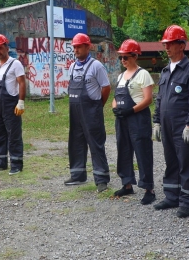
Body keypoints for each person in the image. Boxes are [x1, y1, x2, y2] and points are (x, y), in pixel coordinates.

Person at [151, 25, 189, 217]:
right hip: (166, 125)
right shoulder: (166, 71)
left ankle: (187, 201)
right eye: (165, 43)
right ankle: (171, 196)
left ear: (181, 45)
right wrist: (156, 121)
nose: (166, 47)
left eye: (171, 43)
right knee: (171, 160)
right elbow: (159, 98)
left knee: (187, 162)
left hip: (183, 126)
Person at [64, 33, 111, 193]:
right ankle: (78, 175)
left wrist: (97, 106)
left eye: (79, 46)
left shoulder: (96, 66)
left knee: (96, 144)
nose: (76, 49)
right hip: (75, 112)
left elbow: (106, 88)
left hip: (91, 111)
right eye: (74, 47)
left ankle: (102, 179)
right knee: (76, 142)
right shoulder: (71, 66)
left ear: (87, 47)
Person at [111, 39, 156, 205]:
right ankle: (127, 184)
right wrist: (115, 107)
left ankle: (148, 189)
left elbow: (148, 99)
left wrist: (131, 110)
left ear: (135, 56)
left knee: (142, 151)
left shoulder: (143, 74)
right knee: (123, 150)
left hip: (138, 118)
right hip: (122, 119)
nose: (123, 60)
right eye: (121, 57)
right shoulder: (121, 76)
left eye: (126, 57)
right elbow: (116, 97)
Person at [0, 34, 26, 175]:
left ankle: (16, 163)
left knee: (13, 135)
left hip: (11, 106)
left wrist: (21, 102)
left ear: (6, 47)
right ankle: (1, 161)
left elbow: (22, 83)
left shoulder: (15, 63)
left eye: (0, 48)